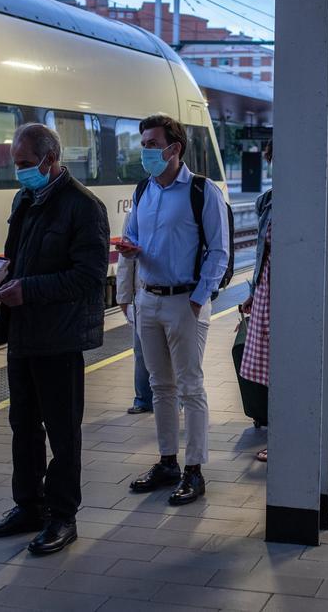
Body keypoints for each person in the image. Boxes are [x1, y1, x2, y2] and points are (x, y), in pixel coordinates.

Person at [0, 124, 109, 556]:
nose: (18, 173)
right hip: (23, 333)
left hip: (60, 337)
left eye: (23, 164)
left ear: (49, 159)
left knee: (62, 430)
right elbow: (14, 255)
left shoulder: (83, 207)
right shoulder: (25, 199)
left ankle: (62, 515)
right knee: (23, 426)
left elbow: (88, 278)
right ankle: (28, 506)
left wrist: (28, 290)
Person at [117, 114, 230, 506]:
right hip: (148, 299)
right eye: (143, 142)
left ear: (174, 148)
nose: (145, 150)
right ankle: (167, 461)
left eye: (151, 143)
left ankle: (194, 470)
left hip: (186, 301)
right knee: (159, 387)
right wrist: (127, 282)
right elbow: (132, 237)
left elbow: (220, 251)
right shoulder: (144, 189)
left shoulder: (202, 191)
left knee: (190, 387)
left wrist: (199, 298)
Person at [240, 140, 328, 463]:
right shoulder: (268, 200)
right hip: (270, 296)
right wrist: (254, 292)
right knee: (276, 375)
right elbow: (262, 253)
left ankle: (301, 437)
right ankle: (284, 438)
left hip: (301, 297)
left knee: (301, 371)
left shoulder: (316, 199)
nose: (274, 166)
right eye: (272, 159)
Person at [117, 246, 152, 414]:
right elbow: (126, 260)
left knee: (174, 354)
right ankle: (143, 398)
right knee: (141, 351)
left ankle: (176, 400)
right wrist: (123, 298)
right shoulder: (134, 217)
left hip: (176, 296)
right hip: (143, 294)